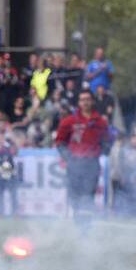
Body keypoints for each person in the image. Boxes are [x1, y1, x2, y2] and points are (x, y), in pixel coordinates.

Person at [55, 90, 110, 233]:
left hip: (91, 163)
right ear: (79, 103)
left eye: (87, 99)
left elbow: (106, 140)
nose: (85, 102)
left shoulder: (100, 122)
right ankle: (79, 222)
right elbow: (60, 141)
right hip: (74, 164)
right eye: (82, 99)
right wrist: (68, 156)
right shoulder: (70, 121)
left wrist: (103, 150)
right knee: (75, 195)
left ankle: (85, 228)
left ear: (92, 101)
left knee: (88, 195)